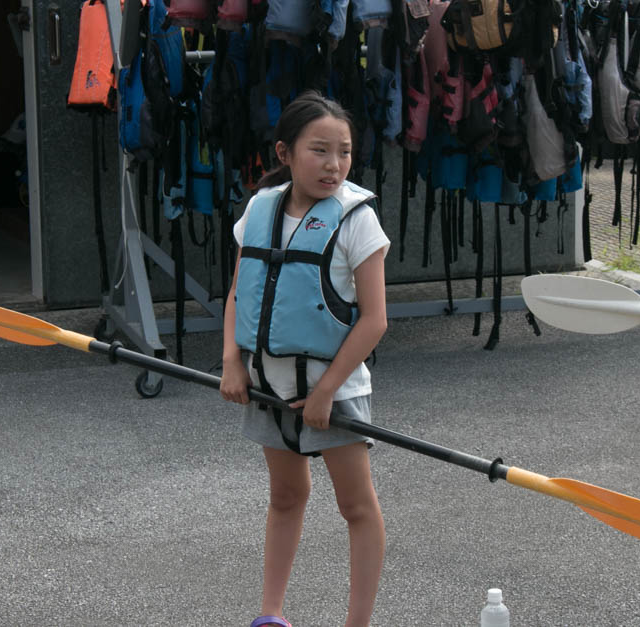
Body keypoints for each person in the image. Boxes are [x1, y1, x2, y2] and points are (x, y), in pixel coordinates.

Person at [220, 91, 390, 627]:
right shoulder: (260, 209)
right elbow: (239, 292)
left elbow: (374, 320)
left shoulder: (357, 221)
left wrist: (325, 393)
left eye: (344, 152)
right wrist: (231, 361)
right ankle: (271, 615)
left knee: (355, 507)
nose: (334, 164)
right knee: (286, 495)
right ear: (285, 152)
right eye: (319, 150)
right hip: (267, 383)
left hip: (334, 391)